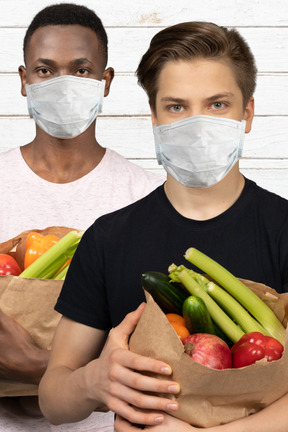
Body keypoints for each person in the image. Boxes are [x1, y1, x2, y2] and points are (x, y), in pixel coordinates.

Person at [39, 21, 288, 432]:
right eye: (176, 107)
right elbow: (53, 399)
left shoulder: (282, 231)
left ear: (247, 114)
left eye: (217, 105)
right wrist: (93, 380)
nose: (197, 123)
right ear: (154, 117)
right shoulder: (108, 239)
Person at [0, 3, 164, 431]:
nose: (62, 84)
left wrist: (36, 366)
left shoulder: (147, 195)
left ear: (105, 81)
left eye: (82, 70)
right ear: (23, 80)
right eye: (44, 70)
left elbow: (163, 343)